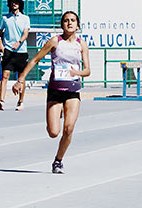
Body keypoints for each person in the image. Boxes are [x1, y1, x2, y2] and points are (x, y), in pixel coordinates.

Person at [12, 11, 91, 174]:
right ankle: (57, 112)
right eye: (66, 21)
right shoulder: (55, 41)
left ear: (78, 25)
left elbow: (87, 70)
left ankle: (58, 160)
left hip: (73, 90)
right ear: (62, 24)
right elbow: (35, 59)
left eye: (73, 21)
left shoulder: (81, 44)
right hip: (55, 91)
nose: (69, 23)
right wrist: (21, 79)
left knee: (68, 129)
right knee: (54, 132)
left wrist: (77, 73)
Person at [0, 0, 31, 111]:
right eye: (12, 2)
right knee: (5, 75)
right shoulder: (5, 18)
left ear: (20, 4)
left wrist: (19, 42)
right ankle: (1, 101)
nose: (14, 4)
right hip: (8, 50)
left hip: (21, 51)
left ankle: (20, 101)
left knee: (21, 77)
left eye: (16, 2)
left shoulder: (25, 18)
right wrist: (0, 43)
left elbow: (26, 33)